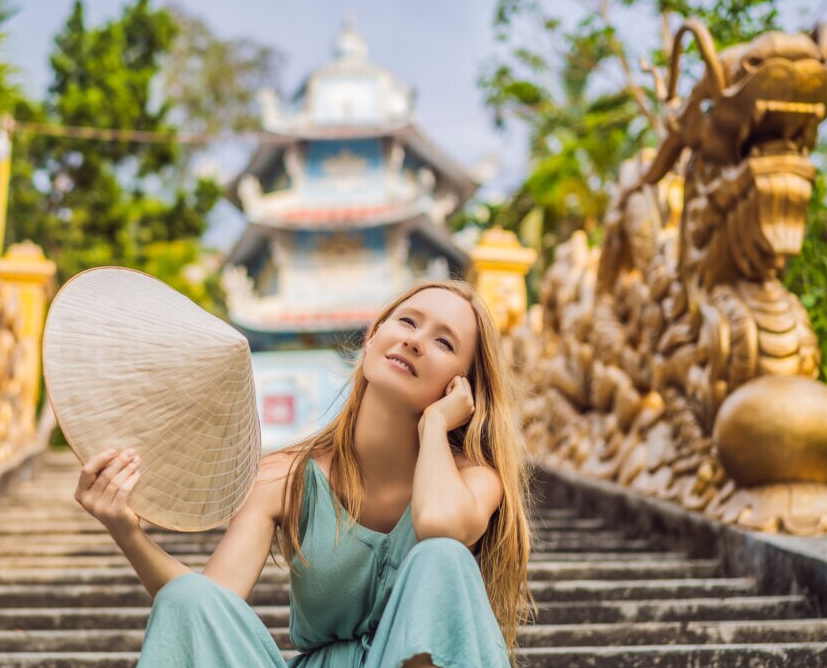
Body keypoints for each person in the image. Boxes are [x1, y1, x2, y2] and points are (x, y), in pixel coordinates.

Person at [74, 280, 533, 668]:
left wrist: (434, 424)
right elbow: (208, 607)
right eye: (408, 322)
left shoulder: (475, 480)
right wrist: (126, 530)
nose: (414, 340)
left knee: (443, 558)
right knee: (184, 596)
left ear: (463, 385)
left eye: (444, 342)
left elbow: (439, 526)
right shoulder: (286, 476)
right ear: (373, 337)